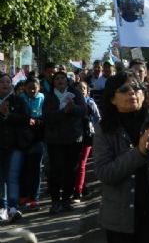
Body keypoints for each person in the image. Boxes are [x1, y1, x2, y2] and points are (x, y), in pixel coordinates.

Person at [94, 72, 149, 242]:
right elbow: (104, 173)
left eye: (137, 88)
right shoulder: (104, 128)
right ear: (112, 98)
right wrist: (139, 152)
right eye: (124, 89)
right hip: (120, 218)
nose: (132, 92)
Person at [42, 70, 86, 214]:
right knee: (55, 170)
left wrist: (73, 108)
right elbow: (47, 116)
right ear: (53, 82)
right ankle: (55, 201)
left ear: (67, 81)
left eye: (63, 78)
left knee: (71, 170)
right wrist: (63, 112)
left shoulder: (75, 94)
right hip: (55, 140)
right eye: (57, 79)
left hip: (73, 138)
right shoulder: (49, 97)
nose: (60, 81)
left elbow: (83, 111)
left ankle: (66, 200)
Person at [0, 73, 31, 223]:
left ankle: (12, 207)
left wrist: (8, 115)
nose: (5, 84)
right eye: (2, 82)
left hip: (15, 145)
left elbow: (27, 119)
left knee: (12, 177)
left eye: (7, 82)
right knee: (1, 178)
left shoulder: (18, 100)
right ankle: (2, 207)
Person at [19, 77, 45, 211]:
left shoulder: (43, 99)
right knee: (23, 168)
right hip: (22, 140)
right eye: (29, 88)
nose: (32, 90)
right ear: (25, 88)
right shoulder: (19, 99)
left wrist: (37, 122)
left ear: (39, 88)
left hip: (37, 139)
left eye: (34, 87)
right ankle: (23, 196)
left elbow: (46, 118)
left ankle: (34, 198)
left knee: (35, 170)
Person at [74, 80, 100, 202]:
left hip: (87, 136)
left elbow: (98, 119)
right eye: (79, 88)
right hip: (73, 136)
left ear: (87, 91)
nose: (81, 90)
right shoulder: (72, 102)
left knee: (82, 164)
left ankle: (77, 191)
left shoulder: (91, 104)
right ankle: (83, 188)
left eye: (83, 88)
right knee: (75, 164)